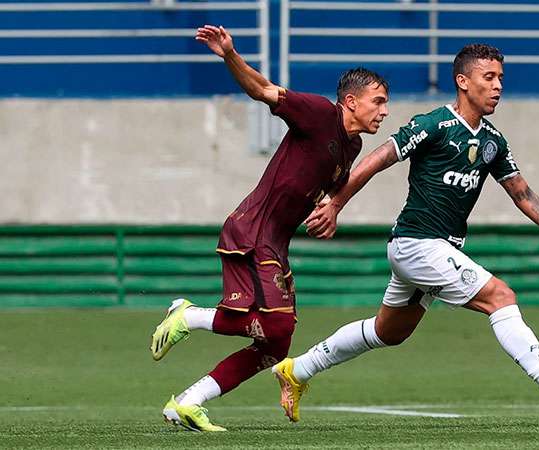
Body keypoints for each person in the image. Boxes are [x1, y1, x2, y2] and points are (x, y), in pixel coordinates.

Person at [271, 44, 539, 423]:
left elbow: (522, 195)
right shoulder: (432, 125)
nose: (498, 87)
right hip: (417, 244)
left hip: (432, 250)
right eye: (489, 77)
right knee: (500, 296)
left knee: (388, 332)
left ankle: (296, 370)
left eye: (501, 79)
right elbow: (377, 160)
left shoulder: (494, 141)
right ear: (463, 81)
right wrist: (335, 203)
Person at [148, 24, 389, 432]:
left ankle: (188, 402)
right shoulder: (317, 113)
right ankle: (188, 317)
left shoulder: (352, 146)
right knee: (275, 325)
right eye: (378, 101)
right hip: (252, 234)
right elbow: (263, 90)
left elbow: (320, 186)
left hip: (274, 243)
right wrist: (229, 54)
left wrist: (329, 209)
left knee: (277, 343)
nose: (384, 110)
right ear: (350, 101)